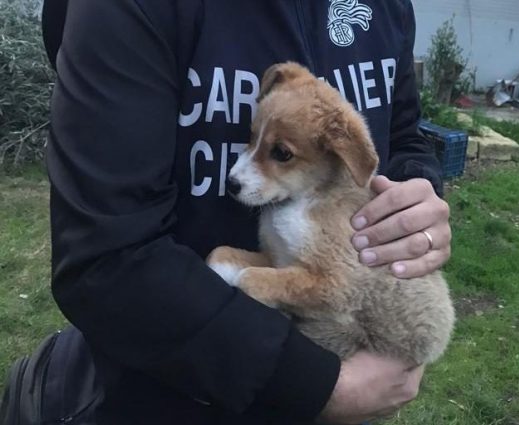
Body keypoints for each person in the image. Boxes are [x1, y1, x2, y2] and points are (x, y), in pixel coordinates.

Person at [46, 0, 451, 424]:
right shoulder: (126, 11)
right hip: (174, 399)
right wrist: (318, 385)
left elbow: (401, 134)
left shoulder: (387, 7)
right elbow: (105, 258)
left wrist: (417, 195)